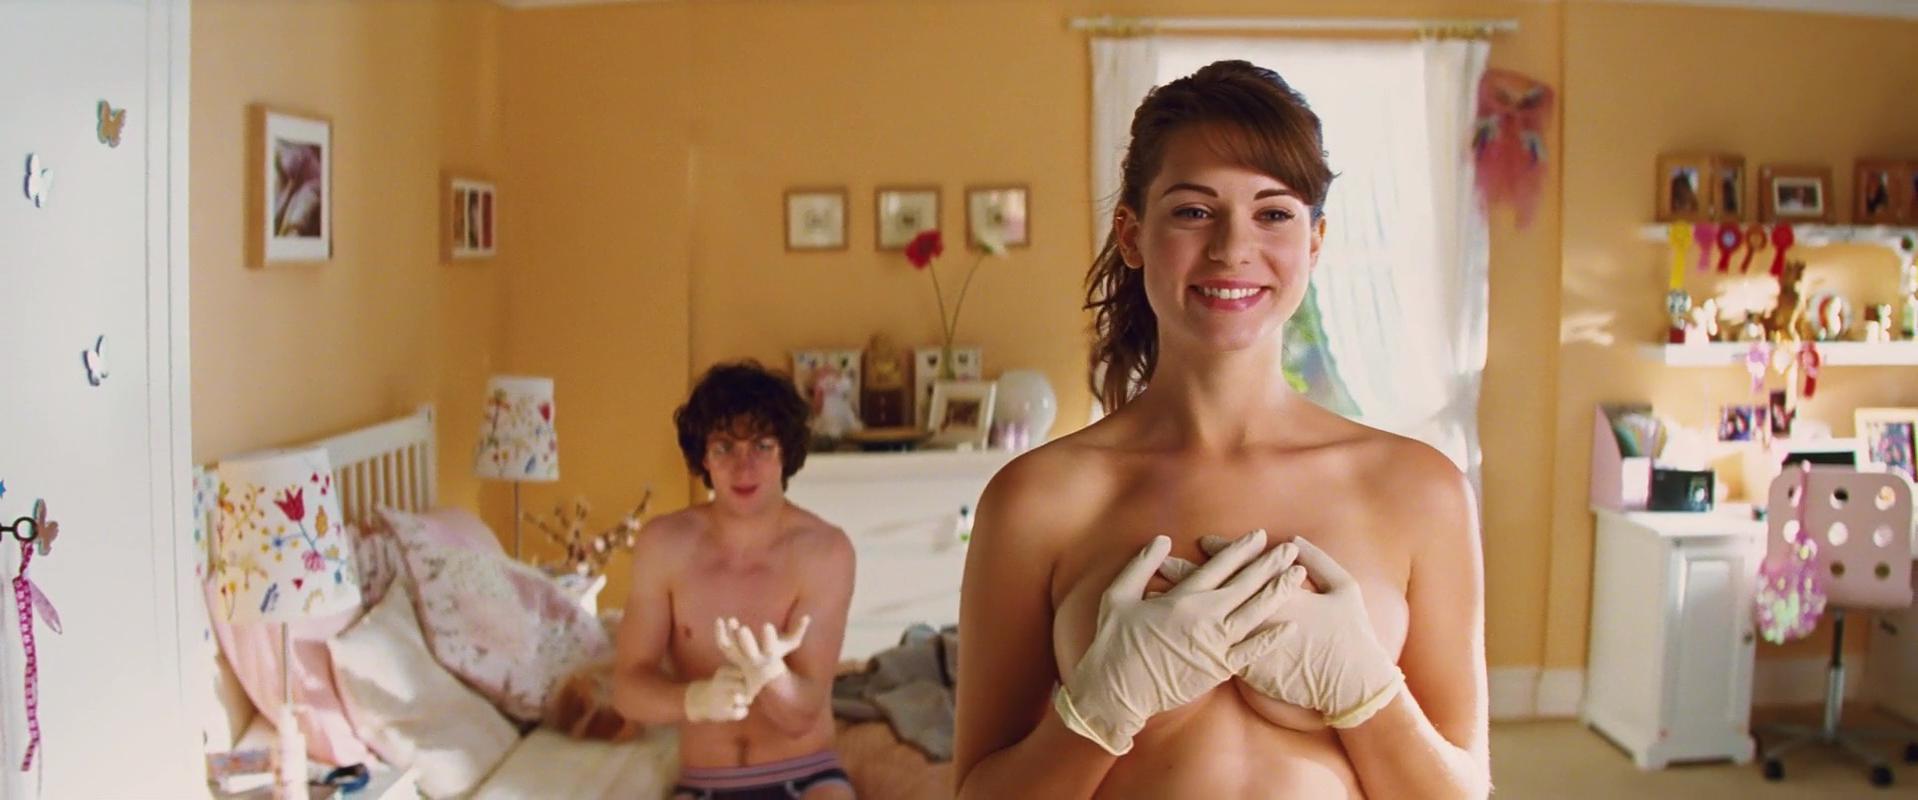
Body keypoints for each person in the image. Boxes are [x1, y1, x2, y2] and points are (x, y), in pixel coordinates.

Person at [953, 60, 1489, 799]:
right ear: (1132, 234)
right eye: (1194, 211)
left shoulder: (1420, 490)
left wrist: (1369, 697)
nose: (1233, 249)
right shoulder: (1038, 498)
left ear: (1315, 242)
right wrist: (1099, 711)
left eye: (1274, 214)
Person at [612, 361, 858, 800]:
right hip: (706, 784)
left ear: (786, 453)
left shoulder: (825, 551)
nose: (744, 468)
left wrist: (770, 676)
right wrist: (695, 700)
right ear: (703, 457)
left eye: (762, 446)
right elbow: (628, 689)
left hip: (807, 776)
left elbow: (804, 713)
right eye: (725, 447)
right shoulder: (663, 545)